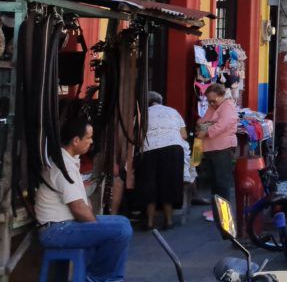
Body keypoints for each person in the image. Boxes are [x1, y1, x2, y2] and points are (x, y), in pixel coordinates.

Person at [36, 117, 132, 282]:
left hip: (66, 225)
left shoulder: (70, 161)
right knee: (119, 231)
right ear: (75, 140)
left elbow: (82, 205)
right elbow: (78, 208)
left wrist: (98, 228)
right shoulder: (63, 166)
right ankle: (99, 277)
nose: (91, 141)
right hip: (56, 230)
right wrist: (98, 228)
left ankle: (108, 276)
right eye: (88, 138)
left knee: (123, 222)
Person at [138, 91, 188, 230]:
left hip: (149, 150)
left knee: (150, 185)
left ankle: (149, 222)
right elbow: (183, 135)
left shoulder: (143, 113)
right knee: (168, 184)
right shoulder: (173, 111)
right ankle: (169, 221)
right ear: (160, 101)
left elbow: (136, 136)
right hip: (173, 149)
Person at [197, 84, 238, 209]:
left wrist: (207, 130)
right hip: (211, 148)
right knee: (214, 182)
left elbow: (222, 125)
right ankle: (217, 210)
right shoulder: (213, 107)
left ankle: (224, 212)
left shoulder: (228, 106)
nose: (212, 103)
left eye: (214, 100)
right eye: (209, 101)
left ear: (221, 96)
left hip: (222, 148)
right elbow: (202, 122)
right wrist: (205, 126)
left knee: (222, 182)